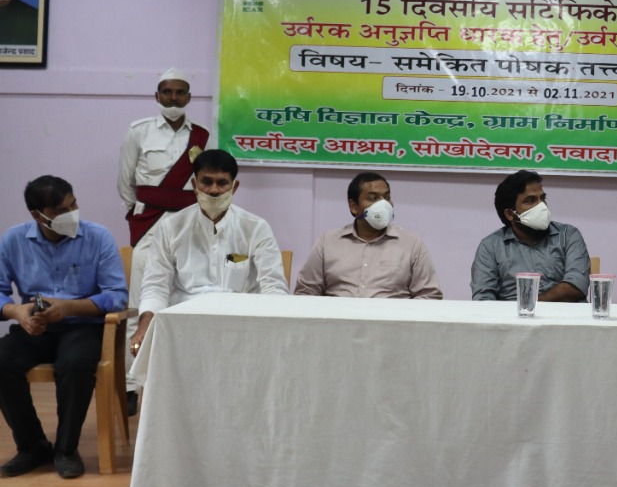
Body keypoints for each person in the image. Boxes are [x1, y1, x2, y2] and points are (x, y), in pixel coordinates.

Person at [0, 176, 128, 479]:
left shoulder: (98, 237)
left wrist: (69, 307)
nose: (72, 213)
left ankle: (66, 449)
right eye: (61, 210)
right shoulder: (13, 240)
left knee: (76, 363)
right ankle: (33, 446)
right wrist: (16, 311)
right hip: (35, 327)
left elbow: (117, 295)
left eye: (74, 204)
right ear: (38, 215)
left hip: (83, 326)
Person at [129, 150, 288, 363]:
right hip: (185, 326)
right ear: (194, 185)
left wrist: (275, 329)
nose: (214, 190)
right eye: (206, 182)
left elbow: (273, 286)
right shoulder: (171, 228)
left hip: (242, 327)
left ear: (234, 187)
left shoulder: (256, 228)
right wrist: (145, 323)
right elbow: (155, 286)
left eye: (222, 183)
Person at [117, 67, 210, 414]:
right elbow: (125, 183)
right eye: (167, 92)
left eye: (180, 92)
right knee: (140, 303)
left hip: (189, 224)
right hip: (151, 223)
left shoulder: (202, 136)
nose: (173, 98)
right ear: (156, 96)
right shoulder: (138, 131)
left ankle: (176, 382)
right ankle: (130, 385)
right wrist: (144, 212)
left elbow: (205, 180)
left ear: (189, 97)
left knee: (184, 298)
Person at [295, 172, 442, 299]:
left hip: (391, 321)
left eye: (387, 197)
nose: (383, 205)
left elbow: (429, 296)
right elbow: (306, 292)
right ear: (353, 206)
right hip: (338, 320)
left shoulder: (411, 243)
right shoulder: (328, 242)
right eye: (372, 198)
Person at [471, 170, 590, 301]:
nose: (541, 206)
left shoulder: (568, 235)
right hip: (511, 314)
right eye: (530, 200)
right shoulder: (490, 247)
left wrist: (528, 306)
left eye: (542, 198)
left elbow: (577, 285)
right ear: (510, 214)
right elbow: (483, 299)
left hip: (565, 312)